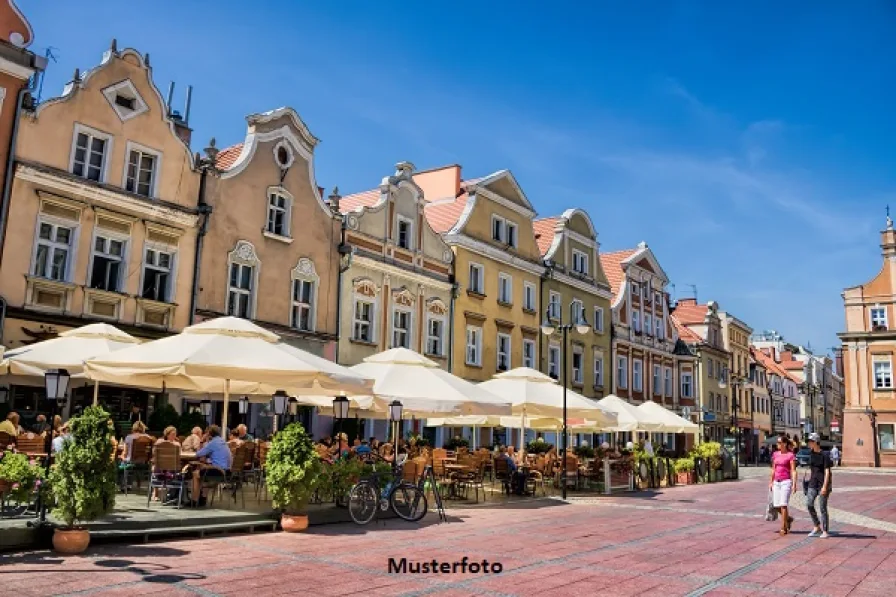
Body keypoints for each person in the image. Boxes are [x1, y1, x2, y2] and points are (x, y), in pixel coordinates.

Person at [188, 425, 232, 507]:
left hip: (218, 471)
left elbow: (199, 454)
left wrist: (202, 441)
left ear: (209, 433)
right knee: (203, 471)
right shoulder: (222, 441)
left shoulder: (213, 443)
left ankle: (194, 501)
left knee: (196, 474)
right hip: (227, 471)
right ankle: (203, 498)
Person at [805, 433, 833, 538]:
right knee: (809, 504)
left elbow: (827, 472)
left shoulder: (825, 455)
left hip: (822, 484)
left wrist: (825, 486)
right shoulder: (811, 453)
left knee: (822, 507)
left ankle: (825, 530)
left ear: (816, 442)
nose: (809, 443)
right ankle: (816, 526)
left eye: (810, 441)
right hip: (813, 483)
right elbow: (812, 470)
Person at [770, 435, 797, 536]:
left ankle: (783, 528)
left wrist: (794, 484)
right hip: (776, 482)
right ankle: (788, 519)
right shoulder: (775, 454)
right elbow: (773, 469)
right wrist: (771, 481)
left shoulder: (790, 455)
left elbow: (793, 471)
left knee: (783, 505)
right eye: (777, 442)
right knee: (776, 506)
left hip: (786, 481)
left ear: (784, 444)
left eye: (779, 442)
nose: (777, 444)